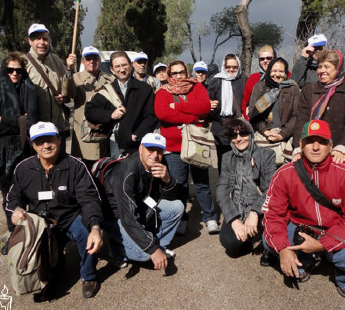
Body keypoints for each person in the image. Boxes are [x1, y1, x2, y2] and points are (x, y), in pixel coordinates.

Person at [262, 120, 345, 298]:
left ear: (330, 145)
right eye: (309, 141)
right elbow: (273, 215)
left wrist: (322, 244)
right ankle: (304, 259)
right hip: (301, 227)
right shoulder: (284, 173)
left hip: (335, 229)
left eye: (321, 141)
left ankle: (342, 276)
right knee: (269, 241)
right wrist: (282, 248)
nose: (315, 147)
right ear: (301, 145)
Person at [6, 122, 104, 299]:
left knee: (87, 232)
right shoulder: (23, 169)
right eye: (40, 142)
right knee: (49, 267)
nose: (46, 146)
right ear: (33, 145)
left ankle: (88, 276)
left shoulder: (76, 166)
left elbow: (89, 198)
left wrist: (96, 227)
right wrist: (16, 209)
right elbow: (12, 198)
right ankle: (50, 272)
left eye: (50, 139)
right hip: (42, 223)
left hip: (70, 217)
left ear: (59, 140)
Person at [0, 52, 39, 254]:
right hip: (1, 155)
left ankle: (34, 233)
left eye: (18, 70)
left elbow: (32, 123)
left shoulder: (30, 90)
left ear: (23, 72)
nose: (14, 74)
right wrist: (19, 120)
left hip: (26, 151)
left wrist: (2, 119)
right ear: (5, 70)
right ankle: (14, 234)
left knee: (32, 194)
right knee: (9, 198)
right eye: (10, 70)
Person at [154, 60, 218, 235]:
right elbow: (163, 113)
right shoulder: (162, 92)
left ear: (186, 71)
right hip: (174, 147)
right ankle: (181, 218)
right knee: (179, 184)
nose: (178, 76)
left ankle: (210, 217)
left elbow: (204, 106)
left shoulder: (196, 87)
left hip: (197, 143)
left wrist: (180, 107)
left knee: (202, 182)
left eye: (181, 72)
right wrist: (193, 118)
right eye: (174, 73)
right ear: (169, 75)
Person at [103, 133, 184, 271]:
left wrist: (168, 181)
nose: (155, 155)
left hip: (140, 208)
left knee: (177, 207)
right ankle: (116, 250)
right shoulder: (126, 170)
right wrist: (152, 249)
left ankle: (158, 246)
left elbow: (166, 198)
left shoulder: (158, 165)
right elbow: (128, 217)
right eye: (150, 149)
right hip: (115, 218)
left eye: (159, 151)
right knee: (145, 255)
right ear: (141, 149)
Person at [292, 49, 345, 167]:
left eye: (327, 67)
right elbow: (301, 120)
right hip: (312, 152)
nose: (322, 71)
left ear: (338, 68)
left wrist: (342, 148)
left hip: (338, 155)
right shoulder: (309, 91)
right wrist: (298, 148)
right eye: (320, 67)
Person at [217, 118, 276, 257]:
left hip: (261, 207)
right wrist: (233, 219)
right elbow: (222, 191)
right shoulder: (227, 158)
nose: (238, 139)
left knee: (273, 233)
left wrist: (254, 212)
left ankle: (268, 247)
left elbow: (271, 189)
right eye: (233, 135)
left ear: (250, 134)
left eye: (243, 133)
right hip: (238, 207)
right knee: (230, 242)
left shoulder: (266, 155)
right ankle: (246, 239)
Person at [85, 51, 158, 156]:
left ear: (131, 65)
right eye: (117, 66)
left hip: (139, 143)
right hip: (114, 143)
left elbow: (151, 116)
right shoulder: (107, 90)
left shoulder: (144, 89)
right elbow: (89, 111)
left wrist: (136, 135)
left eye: (124, 65)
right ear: (112, 70)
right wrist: (110, 115)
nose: (122, 69)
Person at [23, 23, 76, 152]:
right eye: (37, 39)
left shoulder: (56, 60)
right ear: (30, 41)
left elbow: (68, 90)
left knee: (60, 166)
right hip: (36, 130)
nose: (42, 42)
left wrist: (69, 70)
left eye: (45, 39)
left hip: (58, 127)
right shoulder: (22, 62)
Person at [71, 46, 112, 169]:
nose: (92, 62)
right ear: (83, 61)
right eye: (88, 59)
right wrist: (68, 70)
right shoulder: (75, 78)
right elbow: (67, 92)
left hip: (106, 132)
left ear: (99, 60)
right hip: (86, 133)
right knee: (88, 167)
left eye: (95, 58)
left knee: (105, 167)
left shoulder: (110, 78)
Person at [248, 57, 300, 154]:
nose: (277, 74)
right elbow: (253, 112)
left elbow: (297, 115)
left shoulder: (293, 88)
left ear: (285, 73)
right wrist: (265, 131)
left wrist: (282, 134)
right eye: (274, 71)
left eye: (281, 71)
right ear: (269, 71)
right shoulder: (260, 87)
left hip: (284, 139)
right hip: (262, 138)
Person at [208, 53, 248, 172]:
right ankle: (225, 188)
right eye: (228, 66)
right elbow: (207, 102)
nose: (231, 69)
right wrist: (211, 105)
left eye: (234, 67)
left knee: (240, 161)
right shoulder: (216, 81)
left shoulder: (243, 79)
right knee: (224, 162)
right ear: (223, 67)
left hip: (239, 127)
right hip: (221, 128)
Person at [241, 45, 277, 119]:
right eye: (262, 59)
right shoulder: (253, 78)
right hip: (257, 121)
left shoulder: (285, 75)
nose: (265, 61)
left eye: (269, 58)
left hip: (278, 120)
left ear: (275, 58)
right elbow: (244, 102)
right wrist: (247, 117)